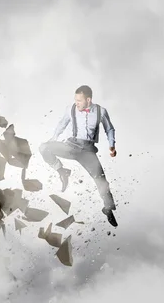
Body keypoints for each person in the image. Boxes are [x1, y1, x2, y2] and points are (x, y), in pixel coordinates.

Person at [39, 85, 118, 227]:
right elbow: (62, 123)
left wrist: (112, 145)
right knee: (44, 147)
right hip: (71, 146)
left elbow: (109, 128)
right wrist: (54, 137)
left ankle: (108, 209)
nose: (77, 103)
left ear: (88, 100)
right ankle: (62, 172)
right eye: (75, 100)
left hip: (88, 151)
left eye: (79, 100)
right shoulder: (71, 109)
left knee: (102, 182)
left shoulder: (101, 111)